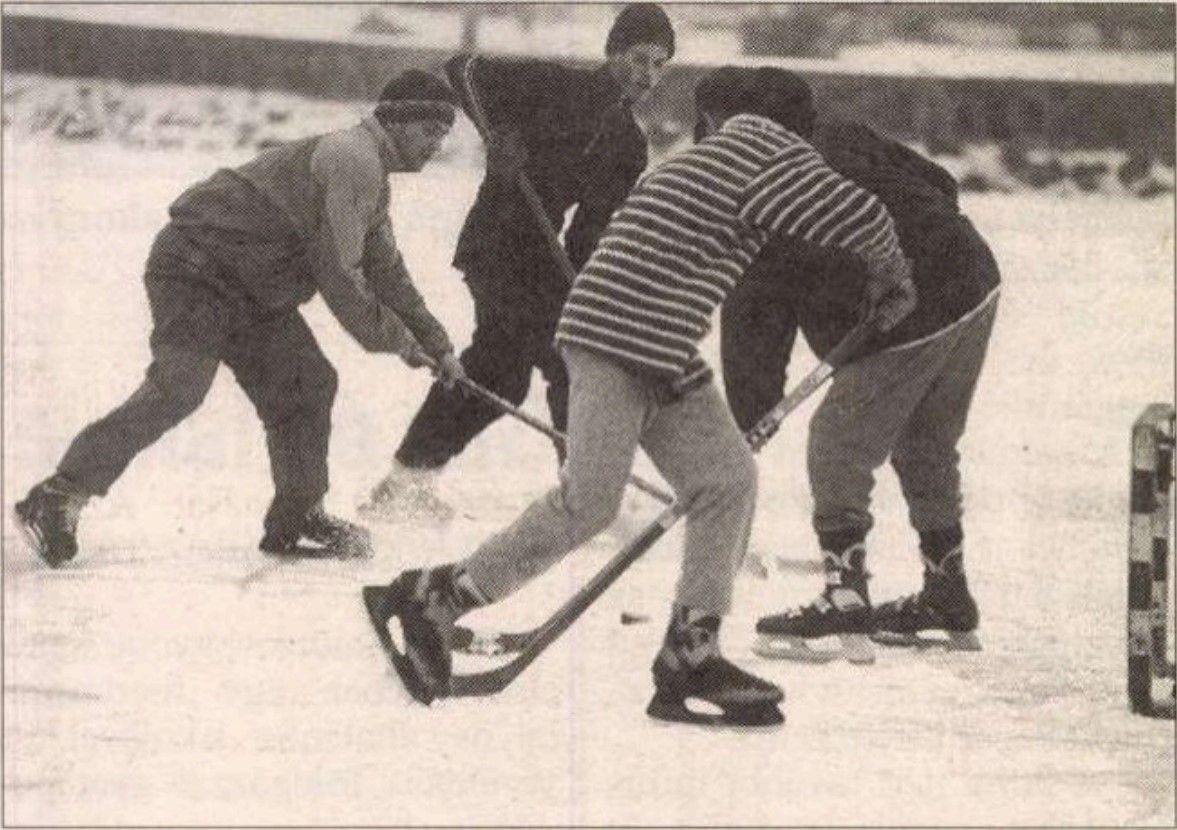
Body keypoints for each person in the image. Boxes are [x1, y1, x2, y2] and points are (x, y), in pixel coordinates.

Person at [362, 66, 916, 727]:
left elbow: (804, 226)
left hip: (655, 344)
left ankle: (691, 651)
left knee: (725, 479)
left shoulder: (721, 160)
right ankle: (434, 597)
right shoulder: (760, 145)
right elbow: (854, 212)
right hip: (614, 336)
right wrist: (891, 272)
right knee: (589, 501)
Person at [14, 71, 467, 567]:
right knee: (179, 387)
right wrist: (401, 340)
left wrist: (436, 341)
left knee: (307, 384)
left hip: (254, 291)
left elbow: (387, 272)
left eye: (443, 135)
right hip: (198, 267)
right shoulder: (352, 161)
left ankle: (299, 516)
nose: (435, 145)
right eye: (429, 130)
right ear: (397, 123)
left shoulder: (371, 180)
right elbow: (340, 273)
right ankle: (59, 494)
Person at [711, 72, 1001, 662]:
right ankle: (947, 594)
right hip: (973, 276)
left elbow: (754, 319)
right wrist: (922, 237)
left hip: (909, 306)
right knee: (925, 444)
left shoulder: (758, 192)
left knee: (837, 442)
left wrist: (749, 416)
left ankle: (845, 598)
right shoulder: (839, 134)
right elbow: (940, 181)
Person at [359, 4, 675, 523]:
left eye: (659, 65)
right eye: (639, 58)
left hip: (546, 259)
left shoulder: (628, 145)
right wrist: (497, 137)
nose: (647, 74)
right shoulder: (554, 86)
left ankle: (581, 490)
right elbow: (462, 70)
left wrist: (580, 285)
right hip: (499, 244)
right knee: (507, 369)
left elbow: (592, 227)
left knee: (559, 364)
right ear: (612, 52)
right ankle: (410, 483)